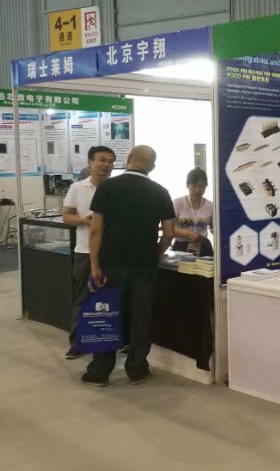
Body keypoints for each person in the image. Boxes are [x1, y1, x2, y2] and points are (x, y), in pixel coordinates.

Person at [83, 145, 176, 387]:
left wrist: (94, 266)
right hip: (144, 265)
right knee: (141, 317)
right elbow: (169, 233)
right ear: (152, 166)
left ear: (129, 158)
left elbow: (96, 229)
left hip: (111, 263)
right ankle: (137, 369)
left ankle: (100, 371)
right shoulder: (161, 192)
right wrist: (155, 253)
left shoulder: (107, 187)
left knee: (108, 314)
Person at [62, 145, 116, 359]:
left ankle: (110, 340)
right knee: (82, 298)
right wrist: (85, 221)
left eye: (110, 161)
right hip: (84, 251)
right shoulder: (77, 188)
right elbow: (67, 216)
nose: (106, 165)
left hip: (111, 252)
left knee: (111, 298)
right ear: (90, 162)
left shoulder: (116, 188)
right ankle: (77, 343)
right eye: (102, 160)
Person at [172, 168, 214, 256]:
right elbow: (168, 229)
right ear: (188, 186)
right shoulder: (178, 203)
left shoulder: (211, 206)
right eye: (194, 186)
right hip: (181, 246)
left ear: (206, 186)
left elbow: (214, 229)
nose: (197, 190)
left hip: (203, 246)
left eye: (201, 186)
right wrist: (187, 233)